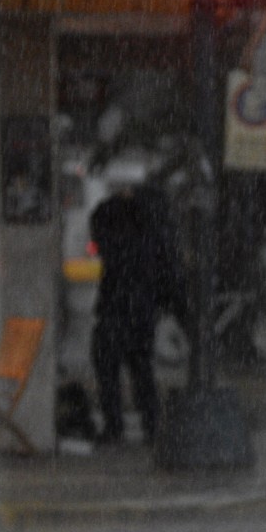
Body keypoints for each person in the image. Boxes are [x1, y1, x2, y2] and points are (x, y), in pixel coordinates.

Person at [89, 184, 178, 446]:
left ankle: (117, 426)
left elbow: (102, 234)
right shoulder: (153, 230)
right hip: (140, 309)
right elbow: (166, 269)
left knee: (111, 369)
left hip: (118, 308)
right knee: (140, 370)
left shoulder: (115, 226)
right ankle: (149, 425)